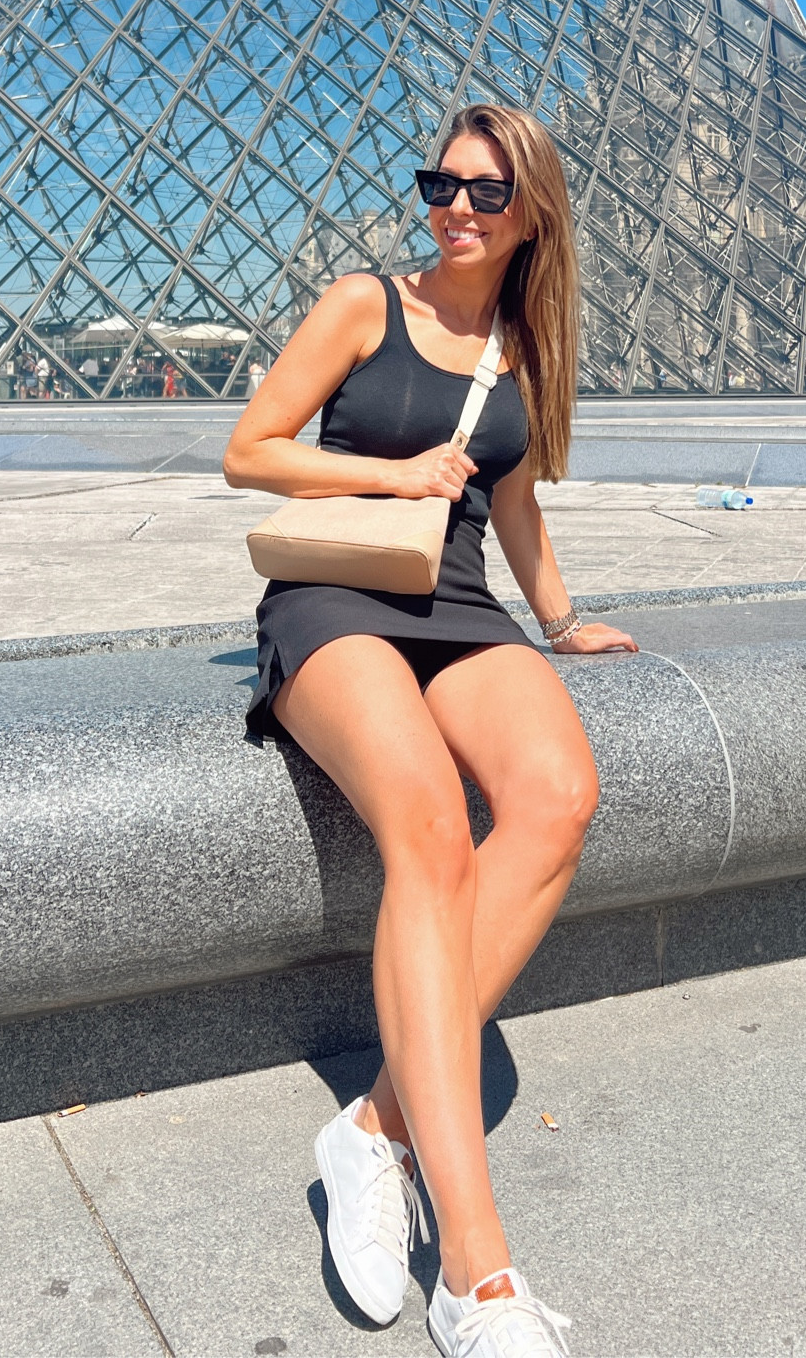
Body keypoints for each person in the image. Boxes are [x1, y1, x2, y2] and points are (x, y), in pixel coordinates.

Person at [225, 104, 637, 1356]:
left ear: (533, 210)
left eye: (485, 191)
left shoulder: (523, 341)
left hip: (456, 599)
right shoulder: (364, 302)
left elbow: (516, 507)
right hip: (339, 590)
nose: (456, 207)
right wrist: (389, 477)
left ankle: (375, 1126)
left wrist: (560, 620)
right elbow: (250, 450)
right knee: (428, 833)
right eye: (440, 184)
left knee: (560, 795)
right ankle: (477, 1273)